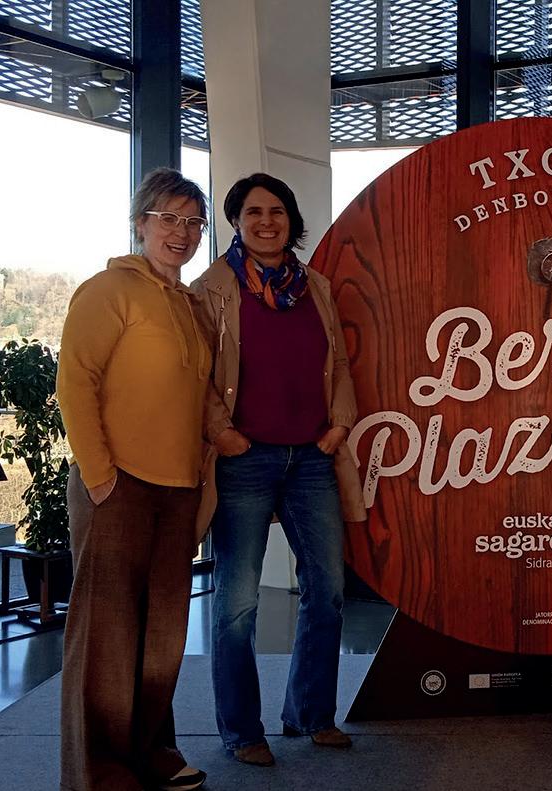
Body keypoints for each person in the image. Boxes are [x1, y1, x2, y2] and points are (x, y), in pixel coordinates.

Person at [192, 172, 367, 767]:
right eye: (253, 212)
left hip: (313, 457)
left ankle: (311, 714)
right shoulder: (211, 289)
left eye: (277, 212)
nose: (266, 222)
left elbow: (339, 362)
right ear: (235, 221)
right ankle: (242, 731)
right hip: (245, 460)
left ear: (291, 220)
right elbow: (197, 375)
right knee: (238, 603)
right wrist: (223, 433)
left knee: (328, 590)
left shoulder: (314, 285)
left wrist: (339, 424)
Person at [56, 167, 212, 791]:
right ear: (140, 222)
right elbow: (75, 383)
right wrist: (101, 479)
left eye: (193, 222)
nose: (182, 232)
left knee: (161, 638)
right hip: (117, 486)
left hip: (178, 492)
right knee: (107, 639)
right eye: (169, 218)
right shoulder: (108, 290)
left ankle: (153, 752)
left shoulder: (191, 305)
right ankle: (101, 771)